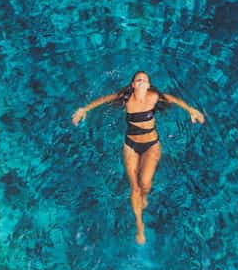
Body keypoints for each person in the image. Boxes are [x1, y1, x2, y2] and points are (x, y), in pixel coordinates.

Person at [72, 71, 206, 244]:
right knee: (134, 187)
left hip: (151, 146)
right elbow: (105, 99)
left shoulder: (154, 97)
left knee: (145, 183)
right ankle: (140, 225)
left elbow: (172, 99)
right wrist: (85, 109)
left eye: (145, 81)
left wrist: (190, 109)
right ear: (133, 85)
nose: (142, 83)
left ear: (148, 86)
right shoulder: (126, 99)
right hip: (131, 146)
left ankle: (145, 196)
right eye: (138, 80)